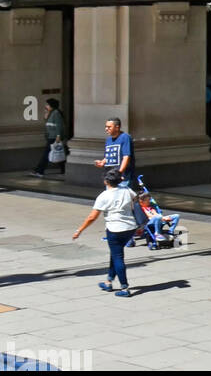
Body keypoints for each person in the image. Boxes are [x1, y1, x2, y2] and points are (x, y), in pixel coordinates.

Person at [72, 169, 145, 297]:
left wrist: (80, 230)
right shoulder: (127, 190)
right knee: (115, 254)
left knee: (118, 257)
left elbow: (92, 217)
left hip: (114, 229)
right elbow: (135, 202)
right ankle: (109, 281)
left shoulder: (104, 196)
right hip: (130, 228)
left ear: (106, 181)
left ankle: (124, 288)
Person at [95, 117, 145, 234]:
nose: (106, 129)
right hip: (110, 177)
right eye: (106, 127)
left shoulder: (125, 138)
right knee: (111, 204)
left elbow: (126, 157)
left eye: (109, 127)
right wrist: (103, 162)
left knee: (125, 203)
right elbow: (110, 154)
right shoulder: (108, 140)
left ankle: (135, 226)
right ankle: (113, 228)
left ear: (117, 127)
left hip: (122, 178)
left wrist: (120, 173)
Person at [32, 98, 68, 177]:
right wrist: (46, 115)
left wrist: (58, 136)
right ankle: (64, 169)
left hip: (54, 137)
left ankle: (39, 170)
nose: (46, 106)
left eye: (47, 104)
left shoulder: (56, 113)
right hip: (51, 136)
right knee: (58, 152)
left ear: (52, 105)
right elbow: (48, 123)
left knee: (46, 154)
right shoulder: (51, 113)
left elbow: (59, 125)